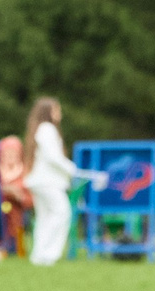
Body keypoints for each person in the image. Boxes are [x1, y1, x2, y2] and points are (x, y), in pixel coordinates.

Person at [21, 99, 104, 268]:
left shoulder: (40, 129)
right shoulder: (47, 129)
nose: (60, 113)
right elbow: (53, 157)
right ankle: (49, 254)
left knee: (45, 217)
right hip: (47, 182)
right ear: (48, 112)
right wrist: (73, 170)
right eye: (57, 110)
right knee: (62, 213)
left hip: (39, 181)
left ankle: (39, 255)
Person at [0, 134, 30, 258]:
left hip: (18, 211)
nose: (9, 155)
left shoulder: (25, 171)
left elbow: (30, 200)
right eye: (6, 152)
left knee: (18, 217)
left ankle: (19, 249)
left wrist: (19, 195)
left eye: (13, 152)